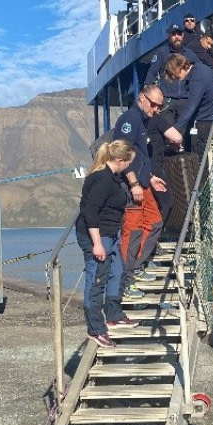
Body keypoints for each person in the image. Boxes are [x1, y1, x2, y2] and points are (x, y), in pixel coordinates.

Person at [75, 139, 136, 346]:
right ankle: (95, 328)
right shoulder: (102, 180)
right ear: (120, 160)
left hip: (111, 233)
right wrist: (97, 244)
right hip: (97, 236)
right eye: (129, 163)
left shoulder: (113, 177)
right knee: (96, 280)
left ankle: (113, 314)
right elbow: (90, 212)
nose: (130, 167)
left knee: (116, 271)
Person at [113, 85, 169, 297]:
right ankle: (127, 280)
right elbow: (121, 155)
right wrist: (134, 183)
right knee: (133, 231)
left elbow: (140, 160)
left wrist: (150, 178)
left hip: (142, 184)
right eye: (153, 104)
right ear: (141, 98)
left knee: (154, 222)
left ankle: (136, 266)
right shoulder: (129, 120)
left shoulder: (142, 121)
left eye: (159, 106)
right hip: (131, 187)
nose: (156, 109)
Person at [163, 52, 213, 161]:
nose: (175, 78)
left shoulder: (196, 79)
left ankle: (201, 177)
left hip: (203, 122)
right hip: (210, 117)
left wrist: (175, 130)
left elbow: (191, 107)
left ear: (177, 69)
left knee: (198, 159)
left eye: (174, 75)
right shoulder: (201, 67)